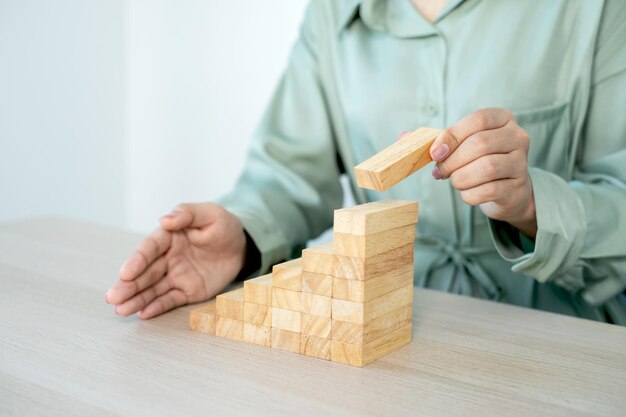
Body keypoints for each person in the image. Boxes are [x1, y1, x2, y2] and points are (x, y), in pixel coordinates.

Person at [105, 0, 626, 324]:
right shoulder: (331, 12)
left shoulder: (597, 9)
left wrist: (531, 204)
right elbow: (289, 176)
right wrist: (241, 237)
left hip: (553, 334)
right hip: (375, 316)